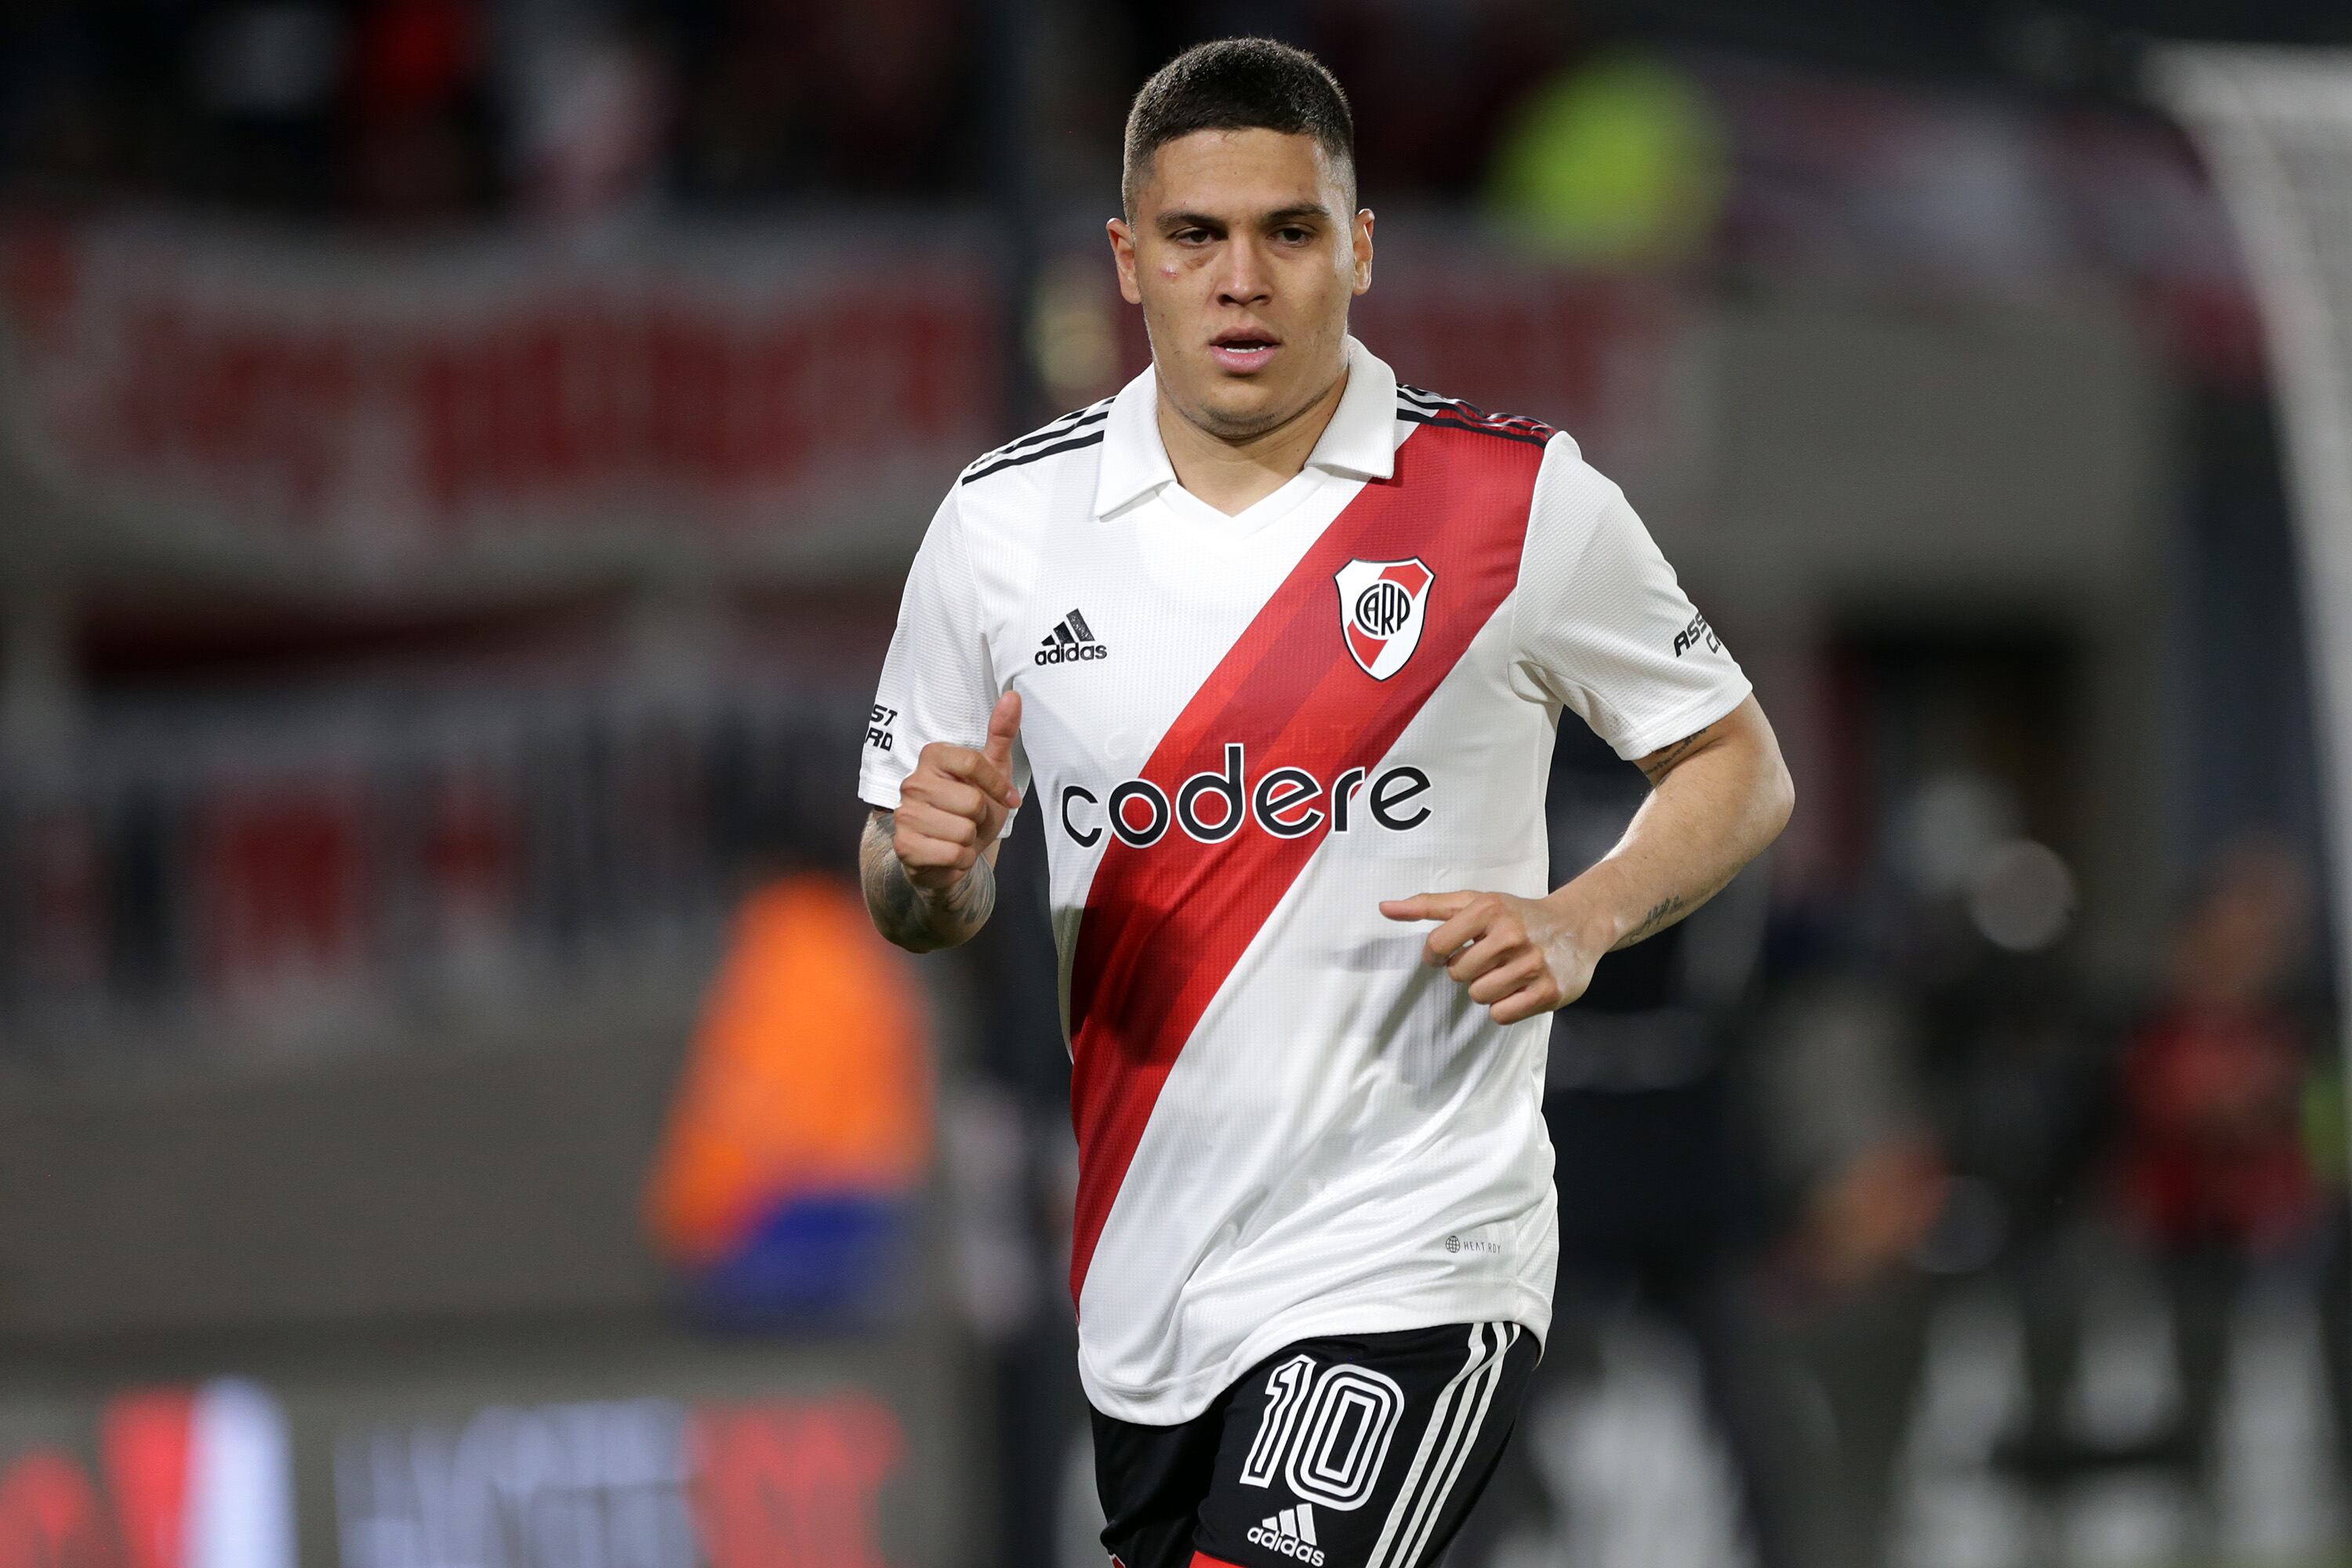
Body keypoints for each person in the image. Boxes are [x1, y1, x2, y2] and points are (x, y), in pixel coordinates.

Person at [856, 38, 1792, 1568]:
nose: (1243, 280)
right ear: (1129, 261)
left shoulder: (1517, 503)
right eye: (1195, 236)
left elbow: (1738, 763)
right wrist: (933, 867)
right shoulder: (1002, 526)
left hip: (1413, 1252)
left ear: (1357, 248)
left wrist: (1585, 916)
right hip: (1149, 1283)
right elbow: (908, 889)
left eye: (1287, 231)